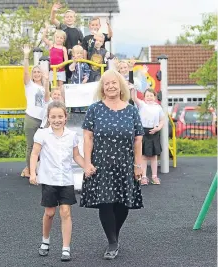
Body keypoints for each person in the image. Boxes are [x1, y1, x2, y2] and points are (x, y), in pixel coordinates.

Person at [80, 69, 144, 260]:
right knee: (106, 203)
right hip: (102, 164)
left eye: (114, 82)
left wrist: (137, 166)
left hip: (125, 164)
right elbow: (87, 137)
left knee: (123, 204)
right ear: (102, 88)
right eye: (106, 83)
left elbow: (138, 140)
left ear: (120, 85)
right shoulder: (95, 109)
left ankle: (113, 233)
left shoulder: (132, 110)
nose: (110, 86)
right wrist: (87, 163)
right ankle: (112, 242)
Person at [29, 101, 85, 261]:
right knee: (50, 212)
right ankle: (45, 240)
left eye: (60, 116)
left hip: (66, 180)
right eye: (53, 117)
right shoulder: (42, 134)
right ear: (48, 117)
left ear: (66, 118)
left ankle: (66, 248)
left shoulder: (72, 135)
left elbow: (76, 156)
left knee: (66, 212)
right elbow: (34, 154)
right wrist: (33, 173)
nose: (57, 120)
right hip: (49, 179)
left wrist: (87, 167)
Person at [21, 44, 48, 178]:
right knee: (31, 146)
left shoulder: (44, 87)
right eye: (35, 72)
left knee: (42, 147)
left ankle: (32, 168)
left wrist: (47, 83)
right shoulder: (29, 85)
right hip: (31, 118)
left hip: (42, 121)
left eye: (39, 72)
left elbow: (48, 100)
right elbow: (25, 73)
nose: (37, 74)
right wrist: (26, 56)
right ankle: (29, 170)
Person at [133, 88, 165, 185]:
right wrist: (132, 88)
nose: (149, 97)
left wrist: (158, 128)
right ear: (144, 97)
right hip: (144, 132)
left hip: (154, 132)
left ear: (155, 97)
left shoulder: (158, 107)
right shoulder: (142, 105)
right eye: (147, 96)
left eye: (151, 95)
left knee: (154, 156)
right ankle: (144, 177)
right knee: (143, 157)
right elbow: (134, 98)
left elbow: (162, 120)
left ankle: (154, 176)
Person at [50, 2, 84, 81]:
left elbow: (82, 44)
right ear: (64, 19)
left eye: (71, 17)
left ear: (74, 18)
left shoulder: (78, 31)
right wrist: (53, 11)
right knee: (62, 79)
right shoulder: (62, 27)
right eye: (67, 17)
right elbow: (53, 19)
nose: (69, 18)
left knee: (73, 76)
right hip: (62, 57)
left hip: (74, 57)